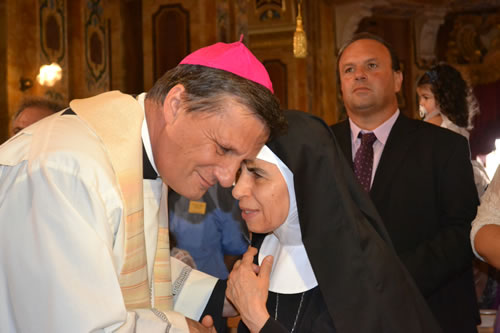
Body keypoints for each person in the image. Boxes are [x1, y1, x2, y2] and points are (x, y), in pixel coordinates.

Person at [0, 38, 285, 332]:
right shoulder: (65, 169)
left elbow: (124, 267)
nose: (227, 179)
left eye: (240, 163)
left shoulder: (143, 156)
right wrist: (180, 329)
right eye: (223, 148)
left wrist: (221, 297)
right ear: (176, 105)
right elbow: (68, 321)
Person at [225, 109, 441, 332]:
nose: (238, 190)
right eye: (240, 172)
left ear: (301, 182)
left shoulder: (363, 272)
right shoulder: (259, 251)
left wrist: (258, 321)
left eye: (257, 174)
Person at [330, 33, 480, 333]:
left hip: (429, 313)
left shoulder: (443, 146)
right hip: (339, 316)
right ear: (341, 86)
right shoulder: (320, 147)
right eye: (349, 70)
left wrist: (389, 277)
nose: (359, 74)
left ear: (398, 80)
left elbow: (462, 231)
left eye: (372, 65)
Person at [416, 63, 489, 197]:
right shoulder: (453, 125)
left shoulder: (437, 125)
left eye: (425, 97)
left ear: (444, 98)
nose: (421, 103)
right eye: (420, 97)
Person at [168, 184, 249, 279]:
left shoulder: (220, 194)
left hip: (205, 284)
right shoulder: (155, 189)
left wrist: (214, 281)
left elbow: (235, 249)